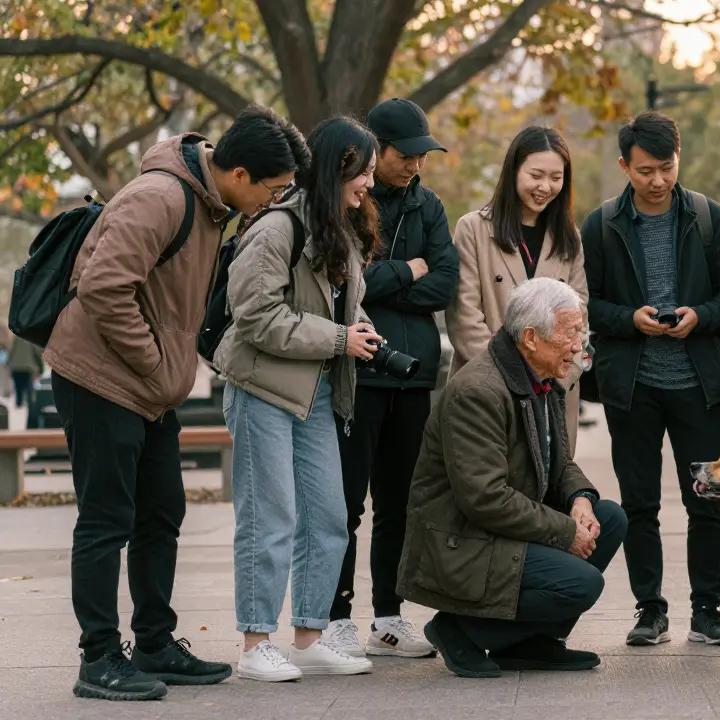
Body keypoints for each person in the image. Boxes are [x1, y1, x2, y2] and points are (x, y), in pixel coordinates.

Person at [42, 105, 308, 701]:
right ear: (237, 173)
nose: (273, 200)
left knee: (161, 514)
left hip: (148, 388)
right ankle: (100, 658)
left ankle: (155, 643)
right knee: (106, 520)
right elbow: (105, 287)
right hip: (100, 377)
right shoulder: (160, 196)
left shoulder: (214, 206)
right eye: (270, 188)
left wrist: (167, 371)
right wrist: (158, 365)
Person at [216, 116, 384, 682]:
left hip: (315, 391)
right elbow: (256, 316)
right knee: (270, 516)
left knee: (328, 516)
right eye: (364, 172)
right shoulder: (276, 229)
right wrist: (340, 338)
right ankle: (254, 642)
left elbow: (339, 306)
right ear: (339, 167)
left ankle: (309, 636)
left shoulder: (342, 229)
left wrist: (359, 331)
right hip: (263, 389)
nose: (370, 183)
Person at [399, 278, 626, 678]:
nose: (580, 345)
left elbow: (559, 461)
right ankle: (457, 630)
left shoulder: (540, 378)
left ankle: (529, 641)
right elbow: (484, 498)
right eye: (571, 333)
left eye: (581, 331)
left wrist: (580, 499)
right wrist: (564, 530)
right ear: (531, 338)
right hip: (463, 539)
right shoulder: (479, 391)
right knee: (582, 583)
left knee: (608, 519)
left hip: (501, 527)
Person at [581, 111, 720, 647]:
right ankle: (649, 610)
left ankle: (708, 609)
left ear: (679, 158)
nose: (657, 181)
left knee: (708, 503)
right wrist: (629, 320)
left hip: (697, 383)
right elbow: (588, 303)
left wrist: (699, 315)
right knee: (639, 504)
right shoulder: (601, 224)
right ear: (625, 166)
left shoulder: (708, 217)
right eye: (644, 170)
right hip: (632, 386)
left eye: (666, 168)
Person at [324, 97, 458, 660]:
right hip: (358, 371)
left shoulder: (429, 206)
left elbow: (445, 282)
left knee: (399, 503)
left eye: (423, 155)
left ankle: (387, 616)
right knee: (346, 503)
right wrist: (407, 270)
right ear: (377, 150)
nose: (416, 166)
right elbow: (344, 281)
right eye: (407, 155)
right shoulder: (348, 202)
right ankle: (333, 617)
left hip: (415, 375)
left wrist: (385, 280)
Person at [447, 126, 588, 453]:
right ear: (513, 171)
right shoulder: (474, 229)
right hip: (487, 390)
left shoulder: (570, 238)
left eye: (556, 177)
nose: (545, 187)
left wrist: (557, 377)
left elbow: (580, 322)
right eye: (536, 175)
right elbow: (465, 317)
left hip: (552, 392)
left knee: (548, 493)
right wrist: (510, 381)